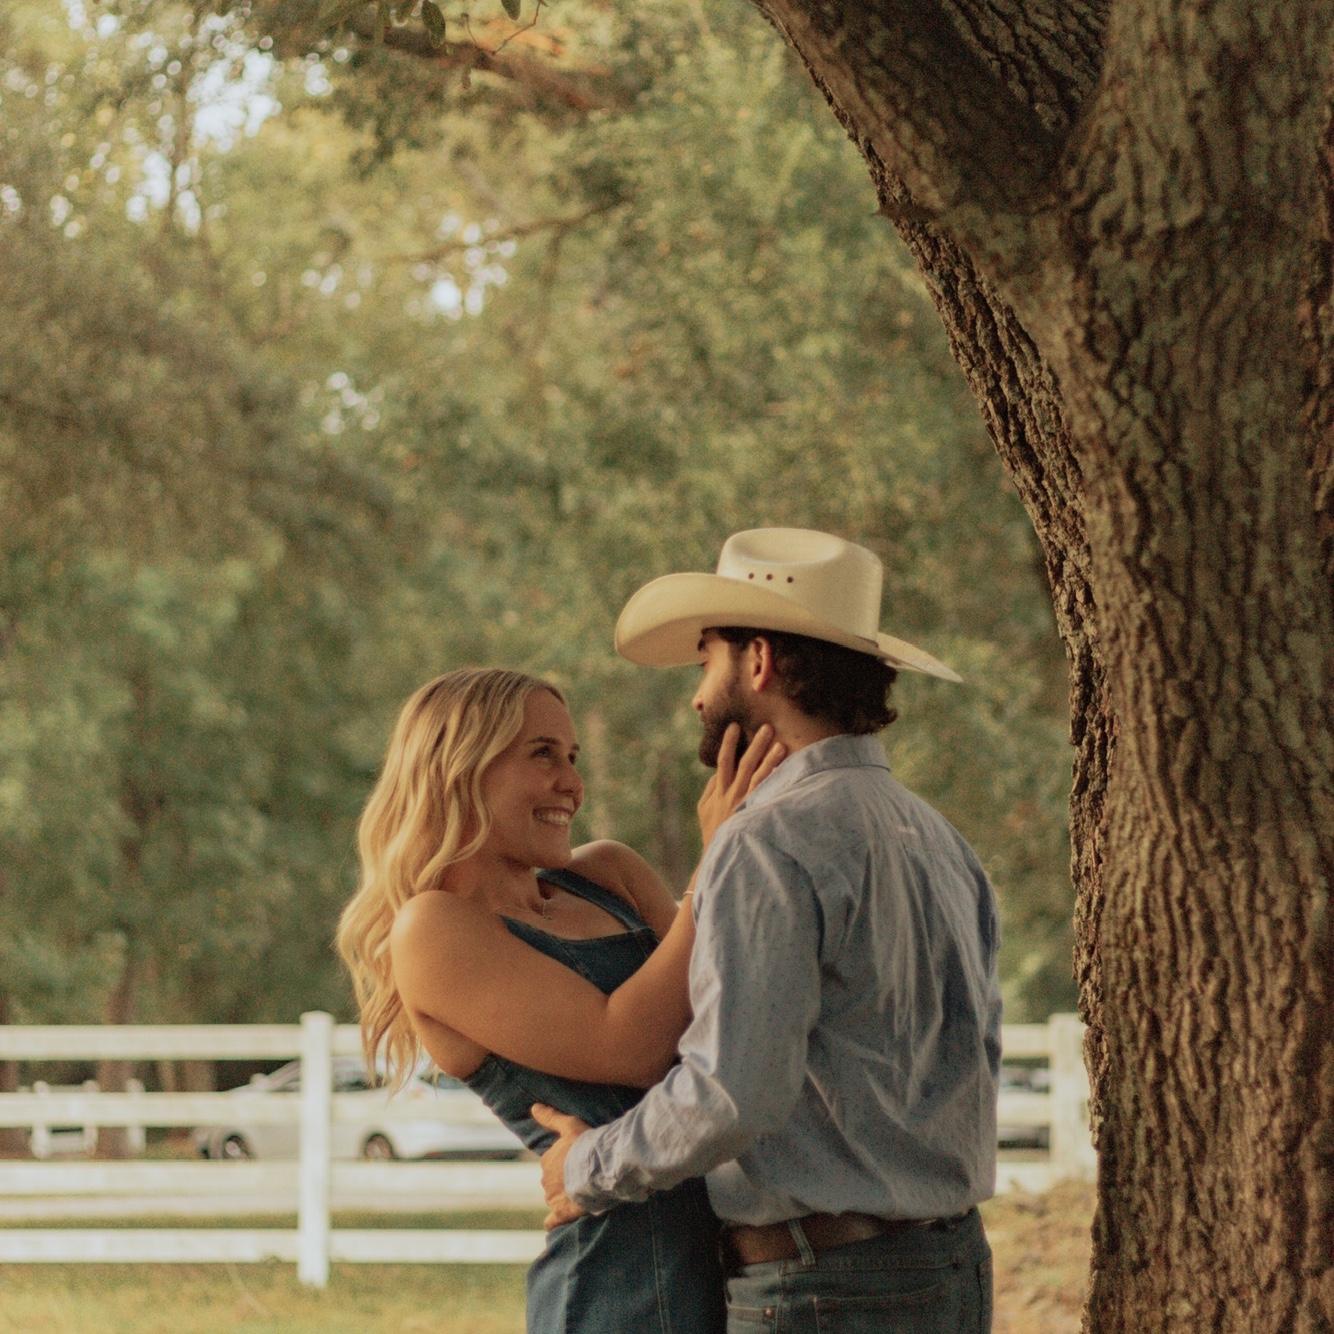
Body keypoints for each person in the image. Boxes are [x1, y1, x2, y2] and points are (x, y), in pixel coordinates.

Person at [533, 528, 1002, 1332]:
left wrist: (586, 1166)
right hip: (951, 1269)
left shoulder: (766, 840)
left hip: (825, 1290)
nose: (696, 696)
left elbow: (731, 1093)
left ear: (759, 662)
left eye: (705, 660)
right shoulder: (938, 838)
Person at [335, 666, 784, 1334]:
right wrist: (715, 863)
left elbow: (728, 1012)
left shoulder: (610, 875)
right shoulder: (431, 928)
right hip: (616, 1296)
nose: (572, 784)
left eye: (572, 757)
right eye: (542, 755)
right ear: (458, 768)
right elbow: (631, 1047)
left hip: (738, 1280)